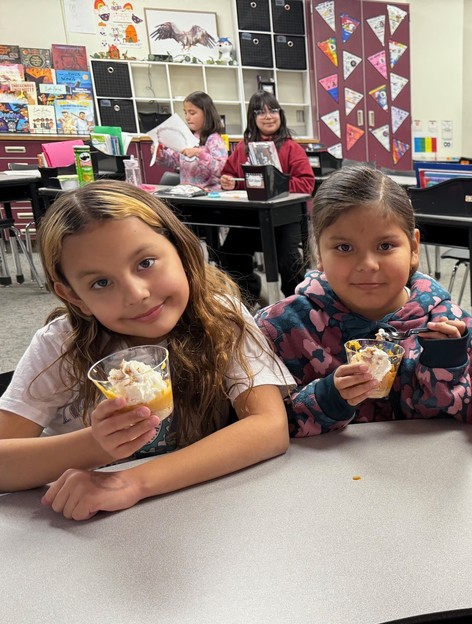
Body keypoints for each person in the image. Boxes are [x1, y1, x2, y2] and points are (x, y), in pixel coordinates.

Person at [253, 164, 472, 624]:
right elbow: (260, 427)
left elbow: (466, 423)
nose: (367, 265)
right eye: (343, 248)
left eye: (386, 245)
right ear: (316, 252)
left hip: (425, 518)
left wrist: (440, 368)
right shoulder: (283, 328)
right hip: (313, 527)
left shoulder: (451, 324)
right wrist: (330, 395)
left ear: (414, 247)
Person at [0, 180, 293, 520]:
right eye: (101, 283)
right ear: (75, 297)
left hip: (196, 514)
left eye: (145, 263)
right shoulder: (60, 345)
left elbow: (270, 427)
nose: (136, 293)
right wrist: (94, 445)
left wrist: (132, 483)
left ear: (182, 249)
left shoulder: (221, 316)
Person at [217, 91, 315, 306]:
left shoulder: (292, 148)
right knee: (229, 253)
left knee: (288, 262)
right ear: (253, 118)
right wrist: (228, 181)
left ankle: (297, 306)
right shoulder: (243, 149)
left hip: (285, 219)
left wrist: (275, 185)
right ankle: (251, 296)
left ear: (280, 115)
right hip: (252, 218)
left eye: (273, 111)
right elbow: (230, 175)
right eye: (260, 112)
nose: (268, 116)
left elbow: (306, 184)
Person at [154, 91, 228, 190]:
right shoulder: (186, 137)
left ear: (206, 114)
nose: (187, 117)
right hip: (187, 193)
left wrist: (200, 154)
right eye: (185, 112)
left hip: (208, 196)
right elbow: (173, 162)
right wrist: (160, 153)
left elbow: (222, 169)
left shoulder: (214, 139)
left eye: (192, 113)